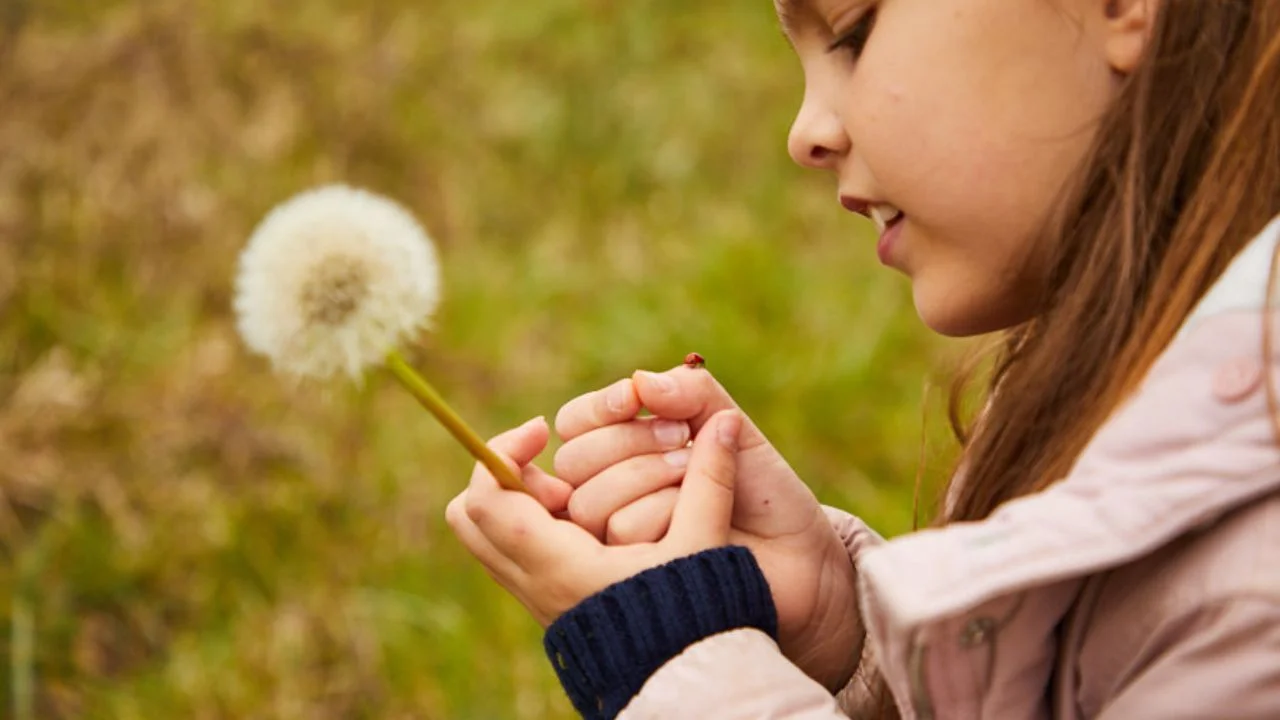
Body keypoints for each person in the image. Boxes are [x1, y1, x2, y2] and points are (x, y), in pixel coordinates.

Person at [446, 0, 1280, 717]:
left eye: (850, 34)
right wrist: (847, 637)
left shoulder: (1256, 598)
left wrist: (674, 656)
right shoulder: (1127, 388)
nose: (805, 133)